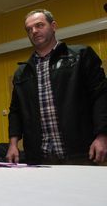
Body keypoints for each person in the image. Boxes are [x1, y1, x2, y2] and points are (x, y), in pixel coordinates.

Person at [6, 9, 107, 165]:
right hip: (39, 156)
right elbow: (16, 111)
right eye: (29, 29)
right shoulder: (22, 73)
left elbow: (101, 96)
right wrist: (13, 144)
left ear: (53, 26)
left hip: (81, 153)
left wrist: (102, 136)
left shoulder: (80, 56)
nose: (34, 31)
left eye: (39, 25)